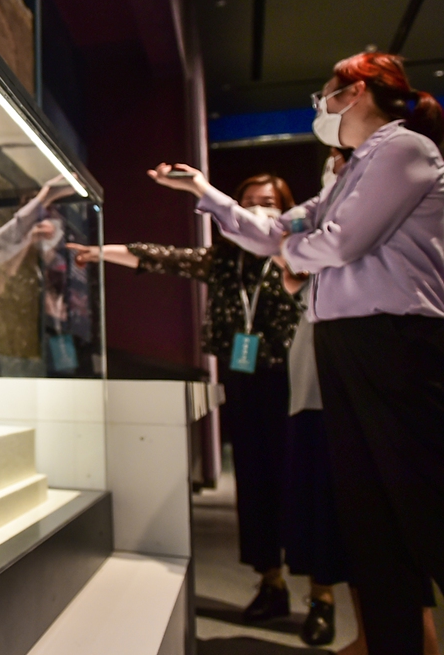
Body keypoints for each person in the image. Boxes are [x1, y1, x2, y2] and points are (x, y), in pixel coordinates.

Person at [143, 51, 444, 655]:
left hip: (397, 342)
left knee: (421, 498)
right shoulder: (353, 169)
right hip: (346, 343)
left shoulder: (405, 149)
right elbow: (276, 232)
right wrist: (203, 189)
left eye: (326, 94)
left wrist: (292, 253)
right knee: (369, 514)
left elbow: (338, 242)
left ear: (355, 92)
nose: (321, 108)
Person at [67, 174, 306, 626]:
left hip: (297, 380)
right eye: (249, 203)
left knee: (305, 481)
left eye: (268, 203)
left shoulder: (298, 256)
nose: (258, 212)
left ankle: (321, 593)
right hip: (244, 380)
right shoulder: (223, 262)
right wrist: (100, 253)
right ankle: (270, 581)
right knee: (255, 481)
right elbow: (162, 259)